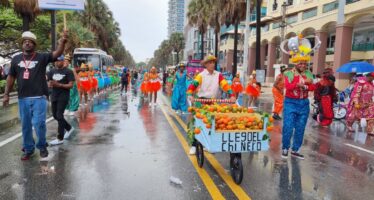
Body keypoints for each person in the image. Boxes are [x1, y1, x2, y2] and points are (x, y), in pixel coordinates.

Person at [2, 30, 67, 160]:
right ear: (22, 44)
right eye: (25, 41)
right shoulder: (16, 59)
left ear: (34, 44)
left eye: (30, 41)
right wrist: (6, 94)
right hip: (23, 98)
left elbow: (57, 54)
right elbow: (10, 77)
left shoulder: (41, 57)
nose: (27, 43)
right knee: (26, 125)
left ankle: (42, 146)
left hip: (39, 97)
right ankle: (28, 149)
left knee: (39, 123)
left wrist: (62, 43)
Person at [187, 55, 235, 154]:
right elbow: (192, 86)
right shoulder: (201, 75)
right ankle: (193, 145)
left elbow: (225, 85)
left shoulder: (218, 75)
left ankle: (208, 144)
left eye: (213, 62)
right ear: (205, 64)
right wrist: (190, 95)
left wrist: (232, 95)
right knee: (197, 124)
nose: (212, 64)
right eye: (210, 62)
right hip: (201, 101)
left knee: (211, 124)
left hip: (213, 103)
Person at [47, 55, 75, 145]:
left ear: (63, 61)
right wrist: (49, 85)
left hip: (63, 96)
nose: (57, 62)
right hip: (54, 95)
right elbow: (49, 82)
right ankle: (69, 128)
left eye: (59, 61)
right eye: (56, 61)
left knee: (59, 115)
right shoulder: (51, 71)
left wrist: (59, 85)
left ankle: (60, 138)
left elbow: (71, 85)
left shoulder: (68, 72)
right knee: (55, 116)